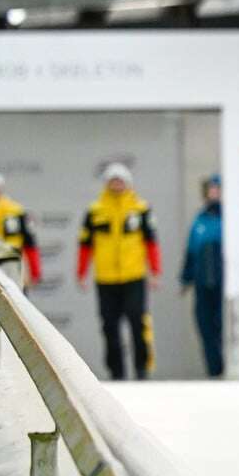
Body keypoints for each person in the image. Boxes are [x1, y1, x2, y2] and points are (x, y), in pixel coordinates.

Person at [77, 163, 161, 381]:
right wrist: (82, 273)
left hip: (134, 276)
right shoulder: (95, 211)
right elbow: (86, 245)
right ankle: (117, 372)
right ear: (106, 183)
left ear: (128, 183)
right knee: (109, 325)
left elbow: (151, 243)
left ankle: (142, 369)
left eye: (120, 181)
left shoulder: (141, 209)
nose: (116, 185)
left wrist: (155, 271)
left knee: (138, 322)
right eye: (112, 181)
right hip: (106, 278)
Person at [181, 174, 224, 378]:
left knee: (221, 325)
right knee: (205, 325)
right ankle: (214, 370)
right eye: (211, 188)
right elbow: (191, 250)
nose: (214, 192)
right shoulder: (200, 219)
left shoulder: (230, 217)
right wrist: (186, 277)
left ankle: (226, 367)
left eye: (218, 188)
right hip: (203, 281)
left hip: (223, 281)